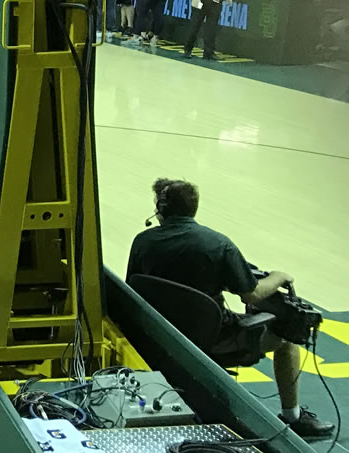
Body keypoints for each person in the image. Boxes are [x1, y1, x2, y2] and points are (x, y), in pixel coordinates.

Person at [127, 178, 331, 439]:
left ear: (160, 208)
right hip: (213, 340)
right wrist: (279, 277)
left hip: (159, 338)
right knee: (286, 338)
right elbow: (253, 295)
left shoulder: (142, 242)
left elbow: (132, 288)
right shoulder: (218, 244)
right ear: (194, 208)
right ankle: (293, 416)